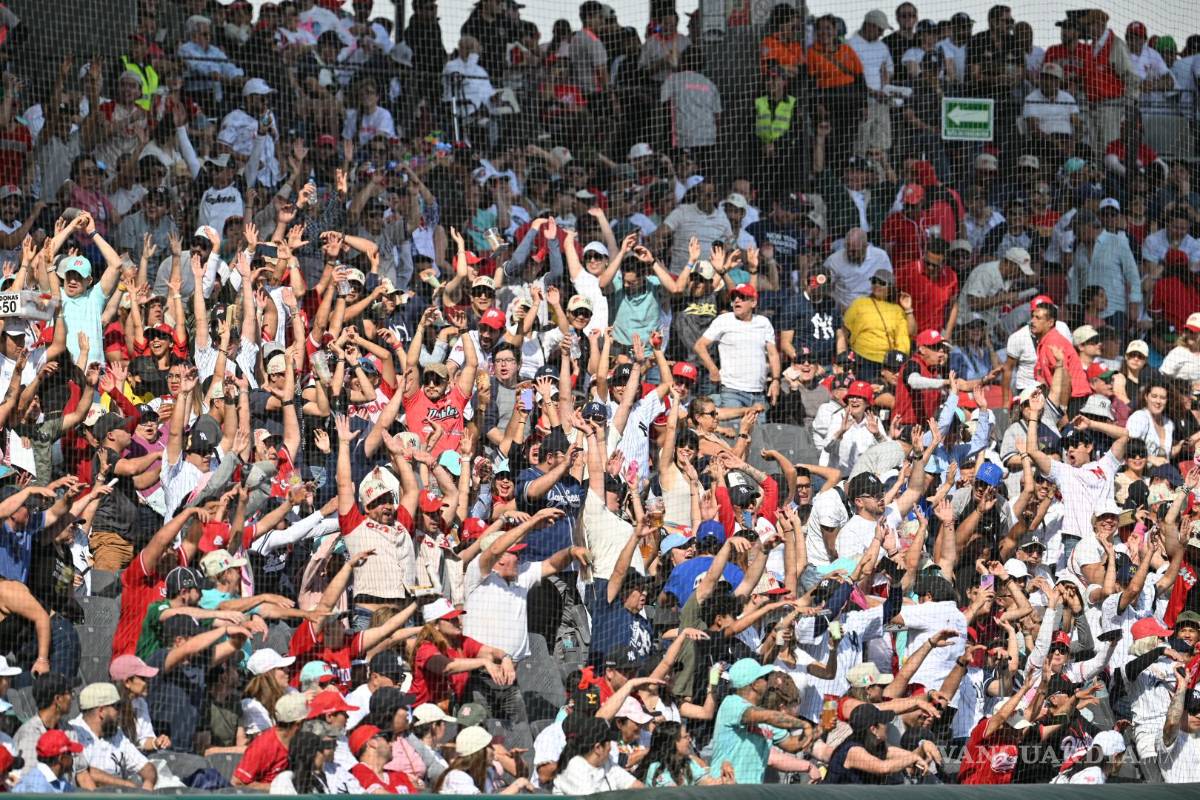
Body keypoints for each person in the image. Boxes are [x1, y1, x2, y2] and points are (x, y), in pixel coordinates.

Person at [12, 730, 84, 794]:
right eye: (70, 753)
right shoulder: (37, 788)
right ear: (61, 758)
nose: (73, 758)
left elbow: (75, 792)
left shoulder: (58, 777)